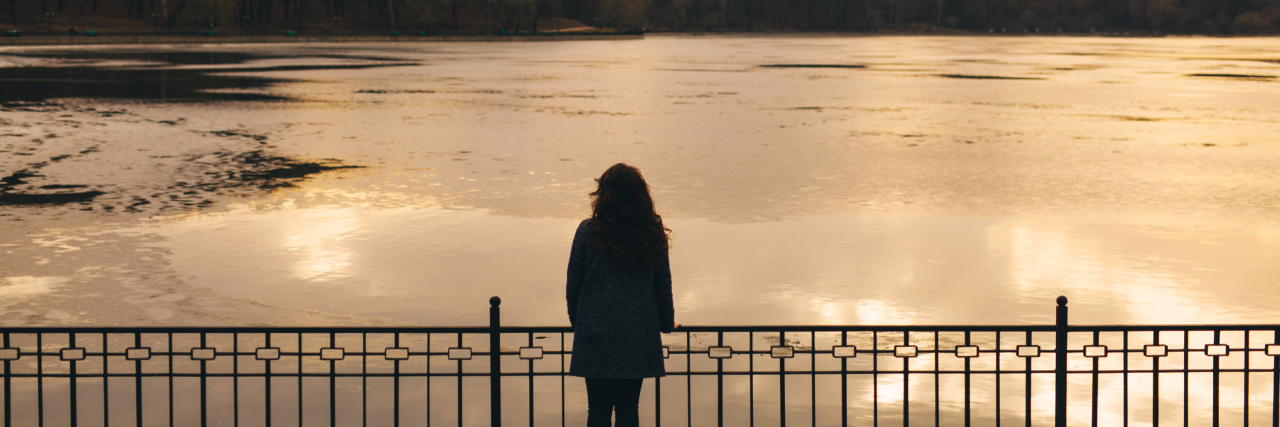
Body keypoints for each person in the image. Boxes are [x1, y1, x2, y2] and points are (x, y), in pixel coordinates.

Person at [567, 163, 679, 427]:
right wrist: (666, 324)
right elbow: (663, 286)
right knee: (629, 409)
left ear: (604, 195)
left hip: (595, 333)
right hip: (636, 333)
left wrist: (579, 325)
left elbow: (573, 286)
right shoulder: (651, 234)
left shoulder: (587, 231)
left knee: (597, 410)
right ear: (640, 195)